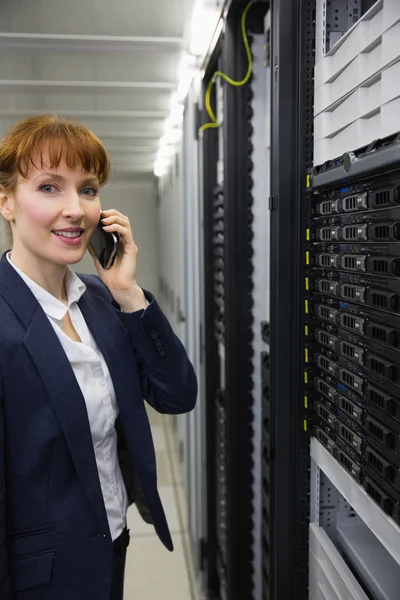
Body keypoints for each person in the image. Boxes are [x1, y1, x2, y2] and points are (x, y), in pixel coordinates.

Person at [0, 115, 197, 600]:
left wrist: (128, 293)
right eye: (49, 187)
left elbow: (177, 395)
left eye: (88, 190)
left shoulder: (102, 300)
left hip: (112, 544)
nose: (76, 210)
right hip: (39, 579)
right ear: (6, 201)